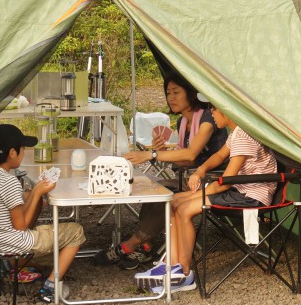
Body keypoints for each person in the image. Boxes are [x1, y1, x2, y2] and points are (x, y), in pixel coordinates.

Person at [133, 103, 277, 293]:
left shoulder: (243, 136)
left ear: (227, 111)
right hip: (240, 189)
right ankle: (172, 264)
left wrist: (201, 192)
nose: (212, 115)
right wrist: (200, 171)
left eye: (214, 110)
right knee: (174, 201)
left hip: (251, 195)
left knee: (185, 208)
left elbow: (226, 181)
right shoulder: (237, 132)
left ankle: (184, 274)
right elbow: (218, 156)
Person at [96, 75, 228, 269]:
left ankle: (130, 245)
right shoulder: (184, 122)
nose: (171, 98)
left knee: (164, 196)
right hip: (192, 179)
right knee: (155, 189)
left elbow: (191, 155)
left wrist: (152, 154)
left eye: (176, 93)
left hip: (215, 181)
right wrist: (163, 152)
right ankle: (146, 245)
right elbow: (185, 159)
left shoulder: (208, 117)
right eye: (168, 93)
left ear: (191, 95)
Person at [0, 124, 86, 303]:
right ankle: (50, 287)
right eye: (23, 150)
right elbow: (20, 226)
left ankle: (9, 267)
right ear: (12, 153)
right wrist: (38, 193)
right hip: (14, 244)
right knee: (76, 231)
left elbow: (12, 204)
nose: (24, 154)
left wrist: (34, 194)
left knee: (37, 205)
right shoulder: (9, 182)